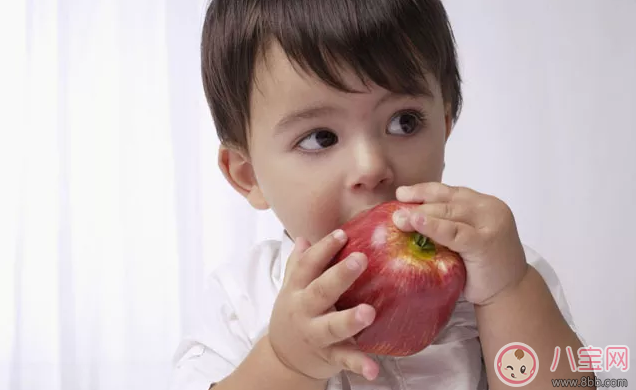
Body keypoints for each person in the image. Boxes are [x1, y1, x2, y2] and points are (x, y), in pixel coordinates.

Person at [169, 0, 594, 388]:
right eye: (320, 137)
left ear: (444, 127)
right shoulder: (243, 298)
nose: (371, 166)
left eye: (404, 122)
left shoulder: (497, 268)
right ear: (248, 176)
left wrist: (509, 290)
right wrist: (285, 362)